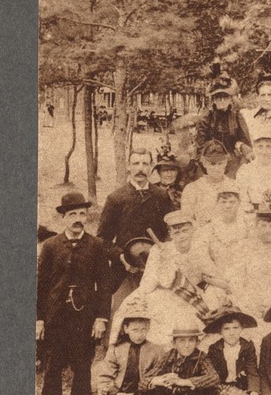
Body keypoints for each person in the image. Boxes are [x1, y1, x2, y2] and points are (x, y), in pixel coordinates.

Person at [36, 192, 112, 395]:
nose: (78, 219)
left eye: (82, 214)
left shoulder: (97, 245)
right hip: (55, 317)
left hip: (84, 318)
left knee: (82, 367)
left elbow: (105, 285)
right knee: (53, 368)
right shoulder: (50, 246)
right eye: (72, 214)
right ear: (63, 218)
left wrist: (101, 318)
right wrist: (39, 319)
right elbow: (41, 286)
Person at [106, 210, 229, 349]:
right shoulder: (158, 250)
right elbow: (146, 285)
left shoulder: (199, 250)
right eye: (177, 233)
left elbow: (215, 278)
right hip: (162, 293)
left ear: (192, 230)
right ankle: (115, 349)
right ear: (170, 234)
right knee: (127, 306)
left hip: (191, 295)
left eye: (185, 231)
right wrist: (164, 269)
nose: (182, 236)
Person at [66, 296, 166, 395]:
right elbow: (104, 379)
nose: (140, 334)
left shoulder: (156, 350)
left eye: (143, 329)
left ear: (148, 328)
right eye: (135, 329)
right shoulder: (116, 349)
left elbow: (157, 377)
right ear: (125, 328)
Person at [96, 147, 175, 305]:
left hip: (157, 270)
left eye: (145, 164)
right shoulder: (116, 198)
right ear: (128, 166)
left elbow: (171, 230)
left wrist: (165, 248)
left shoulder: (161, 196)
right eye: (136, 163)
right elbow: (102, 240)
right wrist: (121, 258)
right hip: (125, 271)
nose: (140, 168)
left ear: (151, 166)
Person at [228, 209, 271, 325]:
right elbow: (237, 281)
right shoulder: (245, 247)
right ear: (256, 226)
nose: (267, 230)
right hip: (247, 299)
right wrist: (246, 303)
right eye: (263, 225)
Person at [198, 308, 260, 395]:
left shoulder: (247, 347)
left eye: (235, 328)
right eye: (226, 329)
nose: (231, 333)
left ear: (241, 328)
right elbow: (211, 377)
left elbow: (252, 372)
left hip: (240, 387)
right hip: (220, 388)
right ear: (220, 331)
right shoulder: (214, 349)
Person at [232, 123, 271, 231]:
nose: (264, 152)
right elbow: (242, 199)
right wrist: (253, 216)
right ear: (254, 148)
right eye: (260, 146)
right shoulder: (245, 170)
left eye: (268, 146)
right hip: (251, 219)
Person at [194, 66, 248, 176]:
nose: (222, 101)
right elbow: (200, 144)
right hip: (211, 160)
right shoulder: (207, 117)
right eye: (218, 97)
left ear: (230, 99)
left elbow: (245, 141)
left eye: (225, 97)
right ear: (213, 99)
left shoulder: (237, 115)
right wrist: (208, 164)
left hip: (233, 162)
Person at [180, 140, 239, 227]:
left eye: (220, 163)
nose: (216, 168)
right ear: (204, 163)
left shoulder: (235, 186)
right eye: (212, 164)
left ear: (226, 162)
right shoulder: (192, 189)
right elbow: (187, 220)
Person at [196, 183, 245, 275]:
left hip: (242, 276)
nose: (228, 206)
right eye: (223, 202)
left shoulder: (247, 228)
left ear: (239, 203)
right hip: (217, 278)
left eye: (232, 202)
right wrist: (219, 279)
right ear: (217, 204)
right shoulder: (208, 229)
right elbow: (202, 258)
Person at [153, 145, 187, 211]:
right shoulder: (151, 190)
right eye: (165, 170)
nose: (169, 174)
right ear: (159, 172)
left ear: (177, 171)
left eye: (173, 170)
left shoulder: (184, 191)